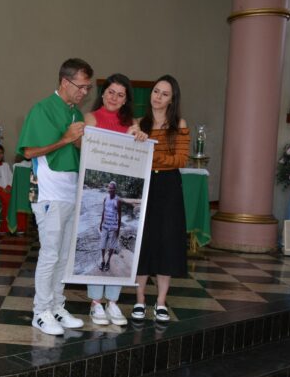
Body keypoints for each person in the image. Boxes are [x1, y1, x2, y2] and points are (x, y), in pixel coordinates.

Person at [16, 58, 93, 335]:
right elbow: (29, 152)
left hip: (71, 190)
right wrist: (65, 139)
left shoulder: (76, 113)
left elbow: (79, 150)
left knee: (64, 254)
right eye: (81, 87)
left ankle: (58, 306)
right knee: (50, 253)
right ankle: (40, 311)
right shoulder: (42, 109)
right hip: (49, 190)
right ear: (64, 81)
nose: (84, 92)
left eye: (88, 88)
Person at [84, 73, 147, 327]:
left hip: (119, 186)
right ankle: (95, 303)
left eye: (120, 95)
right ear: (103, 93)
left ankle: (112, 301)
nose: (114, 98)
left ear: (125, 100)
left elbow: (138, 156)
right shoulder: (90, 118)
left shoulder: (133, 123)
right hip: (101, 191)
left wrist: (140, 138)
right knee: (99, 244)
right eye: (111, 92)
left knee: (117, 243)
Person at [132, 75, 190, 323]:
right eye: (156, 91)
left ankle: (162, 301)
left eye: (165, 94)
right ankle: (140, 299)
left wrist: (151, 151)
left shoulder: (179, 124)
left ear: (172, 99)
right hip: (144, 184)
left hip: (168, 187)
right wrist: (141, 145)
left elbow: (181, 160)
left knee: (167, 240)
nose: (158, 97)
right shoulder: (137, 123)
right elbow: (131, 157)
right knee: (143, 240)